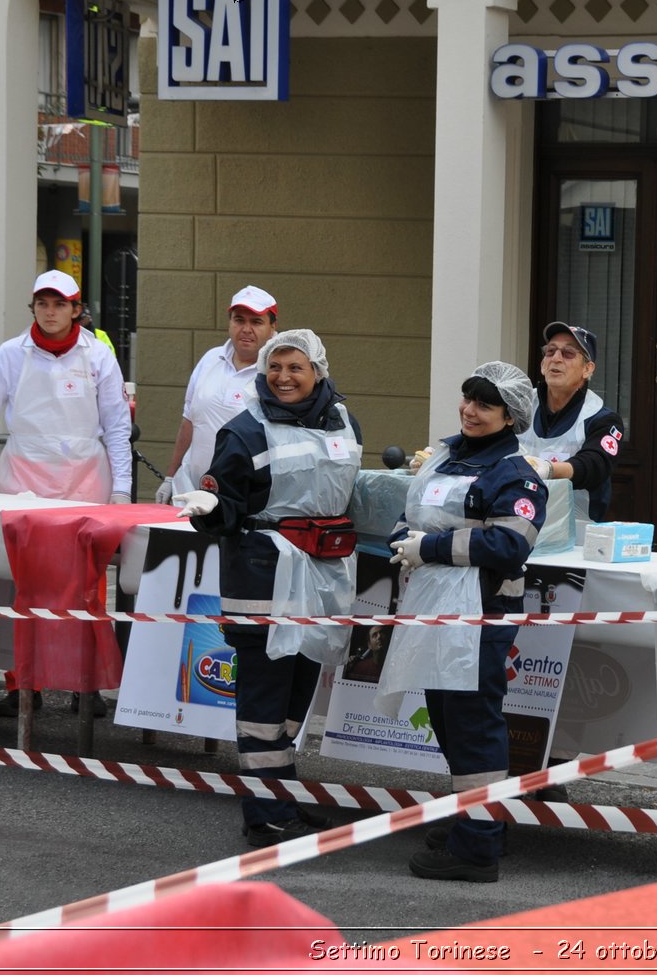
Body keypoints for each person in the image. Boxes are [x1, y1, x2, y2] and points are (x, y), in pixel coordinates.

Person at [175, 328, 361, 848]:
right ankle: (265, 816)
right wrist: (211, 511)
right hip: (262, 577)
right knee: (263, 701)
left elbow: (348, 491)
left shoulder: (345, 421)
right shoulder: (245, 430)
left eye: (295, 368)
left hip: (324, 577)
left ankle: (282, 800)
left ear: (318, 372)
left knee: (295, 699)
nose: (283, 377)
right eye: (274, 368)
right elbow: (226, 498)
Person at [0, 269, 133, 717]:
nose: (50, 313)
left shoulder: (99, 356)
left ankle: (83, 685)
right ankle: (21, 684)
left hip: (85, 480)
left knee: (83, 589)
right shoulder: (11, 353)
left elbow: (116, 425)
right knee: (18, 587)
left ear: (76, 309)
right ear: (34, 307)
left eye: (59, 304)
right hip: (21, 479)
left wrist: (122, 491)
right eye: (43, 304)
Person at [389, 362, 545, 883]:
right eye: (467, 399)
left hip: (482, 611)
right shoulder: (446, 455)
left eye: (484, 404)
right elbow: (413, 513)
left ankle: (477, 849)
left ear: (511, 415)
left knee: (474, 722)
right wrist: (402, 538)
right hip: (432, 606)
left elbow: (509, 543)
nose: (469, 410)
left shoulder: (517, 473)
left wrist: (427, 547)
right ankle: (474, 817)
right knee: (445, 715)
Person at [156, 286, 279, 505]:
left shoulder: (277, 372)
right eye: (239, 320)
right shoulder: (211, 359)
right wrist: (170, 476)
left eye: (256, 322)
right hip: (188, 492)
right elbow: (189, 422)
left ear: (272, 328)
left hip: (240, 501)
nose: (246, 329)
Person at [519, 322, 624, 532]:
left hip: (574, 536)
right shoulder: (519, 406)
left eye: (568, 353)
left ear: (587, 368)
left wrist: (548, 470)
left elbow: (595, 464)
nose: (556, 358)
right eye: (550, 351)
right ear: (542, 364)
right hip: (515, 527)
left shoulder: (602, 418)